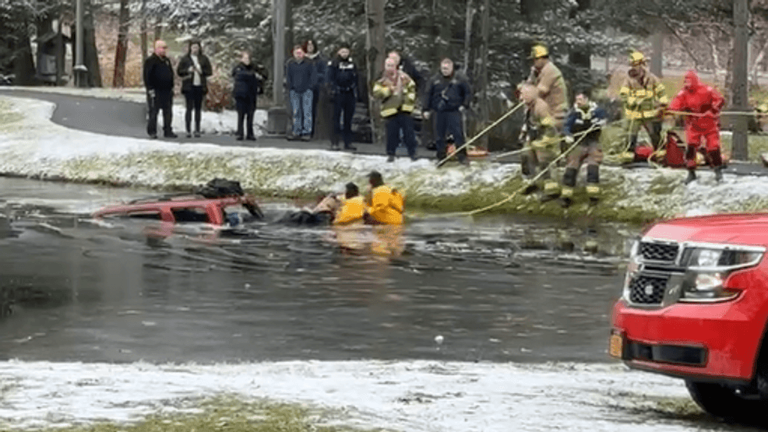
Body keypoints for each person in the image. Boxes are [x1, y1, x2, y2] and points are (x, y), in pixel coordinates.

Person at [668, 70, 725, 184]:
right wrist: (669, 110)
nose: (687, 84)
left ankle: (718, 171)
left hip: (709, 123)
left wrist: (712, 110)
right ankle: (691, 172)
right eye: (685, 81)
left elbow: (719, 100)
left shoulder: (707, 90)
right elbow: (676, 103)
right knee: (691, 148)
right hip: (693, 125)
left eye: (689, 81)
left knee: (713, 147)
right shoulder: (683, 93)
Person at [560, 90, 608, 208]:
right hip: (578, 143)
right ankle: (566, 196)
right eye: (577, 100)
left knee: (593, 166)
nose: (578, 102)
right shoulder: (574, 113)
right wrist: (568, 135)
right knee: (571, 167)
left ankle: (593, 196)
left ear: (587, 100)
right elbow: (566, 126)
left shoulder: (597, 111)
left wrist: (601, 122)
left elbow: (605, 119)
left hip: (593, 142)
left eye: (580, 100)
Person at [619, 50, 668, 159]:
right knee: (631, 134)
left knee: (654, 133)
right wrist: (633, 101)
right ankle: (628, 153)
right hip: (634, 113)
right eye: (632, 65)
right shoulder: (628, 79)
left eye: (636, 65)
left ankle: (659, 152)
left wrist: (663, 101)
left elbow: (661, 90)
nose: (634, 68)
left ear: (642, 65)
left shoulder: (652, 78)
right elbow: (623, 94)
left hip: (649, 112)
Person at [423, 58, 472, 166]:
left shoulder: (460, 79)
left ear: (451, 67)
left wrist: (465, 105)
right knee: (439, 135)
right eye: (443, 68)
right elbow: (428, 94)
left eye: (447, 68)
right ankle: (441, 157)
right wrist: (426, 109)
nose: (445, 70)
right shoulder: (434, 79)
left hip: (454, 110)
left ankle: (462, 156)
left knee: (458, 134)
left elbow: (467, 93)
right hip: (439, 111)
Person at [519, 83, 561, 200]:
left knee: (544, 159)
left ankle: (552, 189)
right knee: (526, 155)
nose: (520, 98)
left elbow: (550, 128)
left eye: (523, 94)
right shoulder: (527, 106)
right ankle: (530, 182)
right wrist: (523, 133)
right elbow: (528, 122)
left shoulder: (541, 107)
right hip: (533, 136)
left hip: (546, 138)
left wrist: (544, 142)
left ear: (531, 94)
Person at [372, 57, 418, 162]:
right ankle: (391, 154)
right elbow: (376, 92)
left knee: (409, 133)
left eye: (392, 65)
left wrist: (409, 99)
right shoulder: (382, 79)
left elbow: (412, 88)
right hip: (390, 109)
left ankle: (412, 153)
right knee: (392, 134)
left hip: (404, 109)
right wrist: (388, 90)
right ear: (384, 66)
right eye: (388, 65)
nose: (390, 68)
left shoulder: (404, 77)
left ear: (396, 66)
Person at [526, 44, 568, 131]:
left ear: (543, 58)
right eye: (533, 60)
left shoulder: (550, 70)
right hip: (543, 115)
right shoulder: (536, 71)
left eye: (536, 59)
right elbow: (528, 85)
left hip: (555, 115)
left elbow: (541, 91)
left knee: (546, 141)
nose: (534, 62)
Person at [177, 40, 213, 138]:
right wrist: (188, 70)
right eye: (193, 47)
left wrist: (201, 70)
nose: (195, 49)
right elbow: (179, 71)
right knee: (189, 108)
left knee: (198, 108)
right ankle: (188, 129)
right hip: (189, 86)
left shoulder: (203, 59)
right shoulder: (185, 59)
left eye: (197, 47)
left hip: (200, 86)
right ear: (190, 48)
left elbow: (209, 71)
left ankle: (197, 129)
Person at [327, 43, 359, 151]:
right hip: (337, 93)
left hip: (349, 93)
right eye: (342, 51)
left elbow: (356, 77)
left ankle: (348, 142)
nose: (344, 54)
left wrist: (354, 88)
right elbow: (329, 77)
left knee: (348, 119)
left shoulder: (352, 64)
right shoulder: (333, 63)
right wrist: (332, 89)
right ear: (338, 52)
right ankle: (334, 142)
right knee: (335, 119)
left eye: (346, 51)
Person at [143, 40, 176, 139]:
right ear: (156, 49)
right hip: (155, 90)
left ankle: (168, 130)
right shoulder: (150, 60)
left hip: (167, 91)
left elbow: (170, 73)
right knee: (154, 111)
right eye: (162, 48)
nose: (164, 50)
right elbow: (147, 76)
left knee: (168, 112)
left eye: (165, 48)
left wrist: (171, 86)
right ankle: (152, 131)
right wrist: (150, 89)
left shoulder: (166, 60)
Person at [285, 45, 317, 141]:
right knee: (296, 111)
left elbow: (313, 76)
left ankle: (307, 131)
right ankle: (296, 131)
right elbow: (288, 76)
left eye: (300, 53)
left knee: (307, 111)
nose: (298, 55)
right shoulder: (290, 64)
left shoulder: (309, 63)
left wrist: (310, 87)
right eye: (296, 53)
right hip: (294, 90)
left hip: (307, 90)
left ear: (303, 53)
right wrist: (290, 87)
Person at [232, 52, 259, 141]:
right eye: (245, 58)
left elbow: (264, 74)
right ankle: (240, 133)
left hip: (251, 94)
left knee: (250, 115)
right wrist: (253, 75)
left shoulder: (254, 67)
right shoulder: (238, 68)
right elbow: (240, 75)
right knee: (241, 115)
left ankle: (250, 133)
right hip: (241, 94)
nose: (247, 61)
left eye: (248, 59)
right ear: (241, 59)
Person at [303, 39, 328, 138]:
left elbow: (324, 74)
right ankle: (299, 129)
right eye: (308, 45)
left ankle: (310, 131)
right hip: (301, 87)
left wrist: (314, 77)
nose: (310, 47)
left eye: (312, 45)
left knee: (311, 109)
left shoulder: (319, 60)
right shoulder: (301, 59)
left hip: (314, 88)